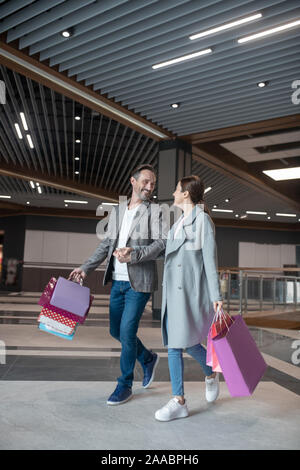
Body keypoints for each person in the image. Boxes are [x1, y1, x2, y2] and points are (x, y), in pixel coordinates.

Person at [69, 164, 167, 405]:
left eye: (153, 183)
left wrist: (134, 254)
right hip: (118, 281)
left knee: (126, 332)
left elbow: (161, 244)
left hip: (139, 282)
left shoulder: (156, 212)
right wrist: (84, 268)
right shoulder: (118, 211)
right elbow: (106, 246)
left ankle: (124, 385)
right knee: (116, 331)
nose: (149, 187)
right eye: (145, 181)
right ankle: (147, 358)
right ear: (132, 182)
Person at [155, 175, 223, 422]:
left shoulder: (202, 221)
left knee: (179, 343)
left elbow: (209, 259)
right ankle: (210, 373)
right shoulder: (178, 223)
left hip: (191, 292)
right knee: (182, 342)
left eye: (176, 189)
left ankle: (179, 401)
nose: (173, 193)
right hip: (173, 291)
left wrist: (216, 295)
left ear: (186, 193)